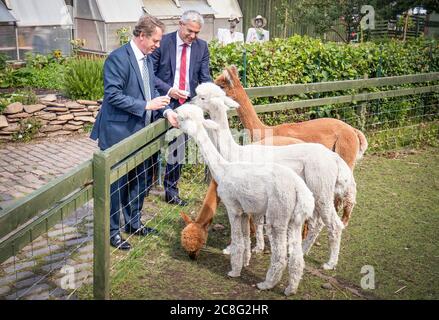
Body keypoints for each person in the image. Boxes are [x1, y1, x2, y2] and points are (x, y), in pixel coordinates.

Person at [90, 15, 175, 251]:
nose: (158, 45)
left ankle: (134, 223)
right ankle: (112, 232)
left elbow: (152, 90)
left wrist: (166, 111)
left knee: (140, 180)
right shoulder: (117, 59)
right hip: (119, 133)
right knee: (116, 187)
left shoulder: (148, 59)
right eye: (155, 40)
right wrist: (145, 106)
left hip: (142, 133)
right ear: (141, 36)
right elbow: (113, 95)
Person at [151, 10, 212, 206]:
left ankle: (171, 191)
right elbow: (149, 75)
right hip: (161, 99)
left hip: (186, 105)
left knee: (178, 148)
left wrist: (211, 97)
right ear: (180, 24)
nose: (193, 36)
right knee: (151, 145)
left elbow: (204, 77)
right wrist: (169, 90)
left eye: (197, 32)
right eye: (190, 31)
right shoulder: (163, 42)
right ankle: (145, 187)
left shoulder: (201, 47)